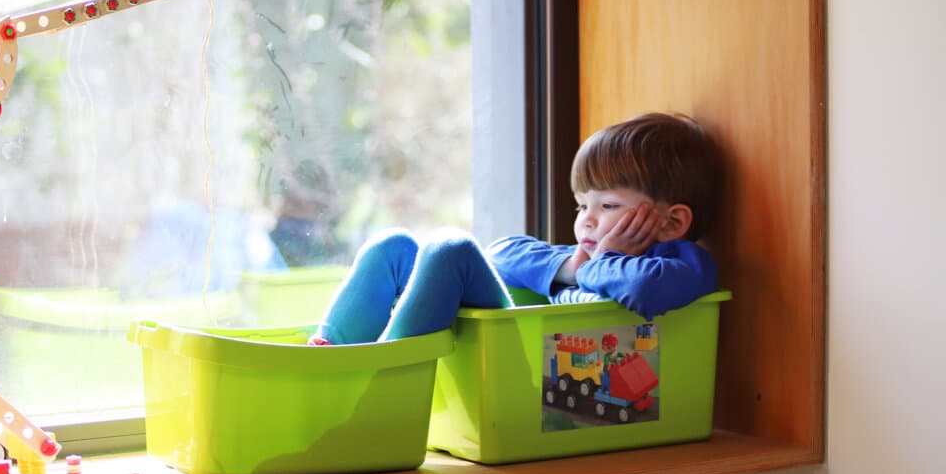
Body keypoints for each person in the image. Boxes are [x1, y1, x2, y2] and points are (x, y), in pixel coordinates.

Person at [309, 112, 723, 345]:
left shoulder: (682, 266)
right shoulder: (587, 258)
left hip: (531, 376)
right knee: (395, 246)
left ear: (672, 221)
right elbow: (501, 254)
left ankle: (382, 374)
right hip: (512, 352)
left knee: (450, 250)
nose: (587, 220)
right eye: (582, 205)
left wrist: (607, 260)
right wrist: (574, 270)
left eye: (608, 205)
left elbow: (644, 290)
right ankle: (330, 351)